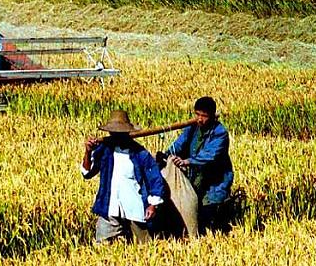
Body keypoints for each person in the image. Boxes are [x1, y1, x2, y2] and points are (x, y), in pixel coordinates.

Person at [81, 110, 168, 244]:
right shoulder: (104, 150)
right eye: (113, 133)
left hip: (135, 208)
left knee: (145, 247)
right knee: (102, 245)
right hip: (110, 205)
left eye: (119, 133)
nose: (116, 136)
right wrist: (88, 152)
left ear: (127, 133)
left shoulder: (140, 154)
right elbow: (87, 173)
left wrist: (152, 205)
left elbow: (155, 179)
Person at [164, 96, 234, 233]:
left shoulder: (220, 133)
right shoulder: (191, 129)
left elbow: (210, 155)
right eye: (197, 114)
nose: (200, 119)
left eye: (204, 116)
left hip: (215, 183)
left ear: (213, 116)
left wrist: (187, 161)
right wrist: (166, 154)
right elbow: (179, 144)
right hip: (195, 179)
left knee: (209, 219)